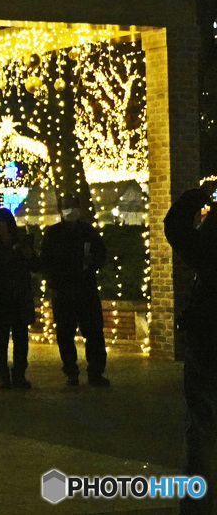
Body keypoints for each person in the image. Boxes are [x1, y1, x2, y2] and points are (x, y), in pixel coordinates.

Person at [164, 180, 217, 514]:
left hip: (208, 339)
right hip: (206, 337)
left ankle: (196, 506)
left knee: (200, 430)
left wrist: (200, 194)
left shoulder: (209, 247)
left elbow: (176, 227)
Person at [40, 194, 109, 387]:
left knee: (94, 332)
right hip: (63, 292)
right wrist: (54, 281)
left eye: (73, 206)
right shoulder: (53, 234)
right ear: (60, 210)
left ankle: (95, 372)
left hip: (86, 289)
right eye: (66, 207)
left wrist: (92, 261)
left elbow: (101, 254)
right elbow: (45, 262)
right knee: (65, 333)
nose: (70, 210)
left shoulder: (88, 231)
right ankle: (71, 371)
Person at [0, 208, 38, 390]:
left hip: (19, 296)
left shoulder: (20, 241)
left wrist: (26, 253)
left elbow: (33, 264)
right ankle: (2, 376)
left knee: (21, 338)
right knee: (1, 339)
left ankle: (19, 375)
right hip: (0, 297)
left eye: (1, 221)